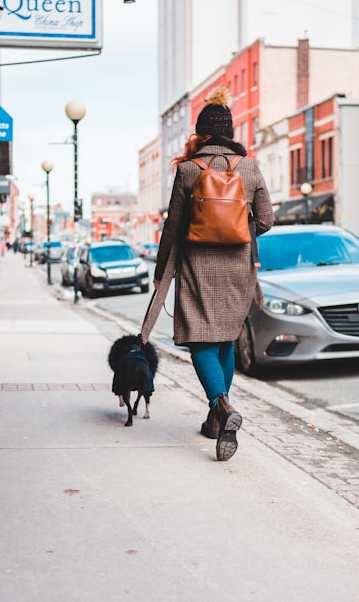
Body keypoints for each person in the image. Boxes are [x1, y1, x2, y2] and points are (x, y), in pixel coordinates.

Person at [152, 87, 273, 461]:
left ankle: (221, 405)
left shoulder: (188, 170)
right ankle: (216, 419)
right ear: (231, 133)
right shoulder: (250, 168)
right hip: (238, 266)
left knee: (201, 341)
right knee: (224, 341)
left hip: (196, 266)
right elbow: (266, 220)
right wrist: (238, 223)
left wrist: (160, 273)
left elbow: (173, 226)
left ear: (201, 134)